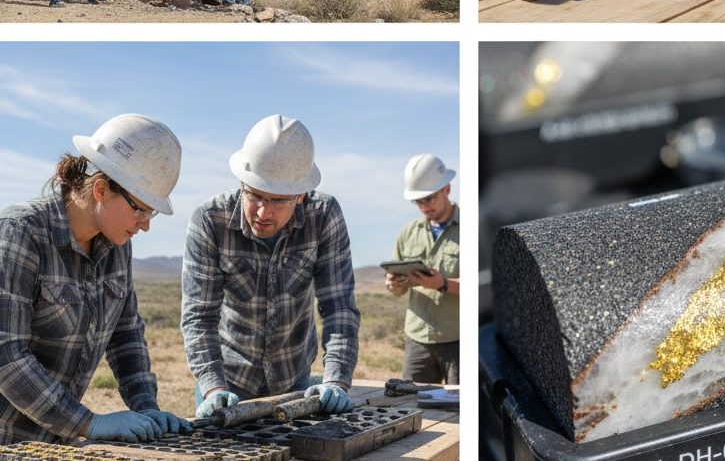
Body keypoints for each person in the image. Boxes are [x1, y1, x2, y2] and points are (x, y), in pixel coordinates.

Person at [0, 114, 190, 444]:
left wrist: (146, 406)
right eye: (141, 209)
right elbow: (6, 356)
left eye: (152, 213)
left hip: (53, 440)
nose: (146, 225)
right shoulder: (20, 234)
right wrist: (87, 423)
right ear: (101, 189)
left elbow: (126, 334)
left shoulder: (117, 245)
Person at [181, 115, 360, 418]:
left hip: (293, 377)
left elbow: (339, 306)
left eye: (278, 200)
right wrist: (213, 387)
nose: (263, 212)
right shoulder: (210, 220)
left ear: (300, 195)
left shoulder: (323, 216)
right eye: (255, 195)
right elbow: (199, 316)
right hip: (228, 382)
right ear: (242, 183)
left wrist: (336, 380)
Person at [385, 154, 460, 384]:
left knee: (458, 402)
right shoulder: (408, 233)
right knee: (411, 400)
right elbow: (397, 290)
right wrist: (394, 285)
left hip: (457, 338)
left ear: (447, 189)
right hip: (417, 339)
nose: (424, 207)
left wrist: (442, 284)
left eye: (429, 199)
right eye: (418, 202)